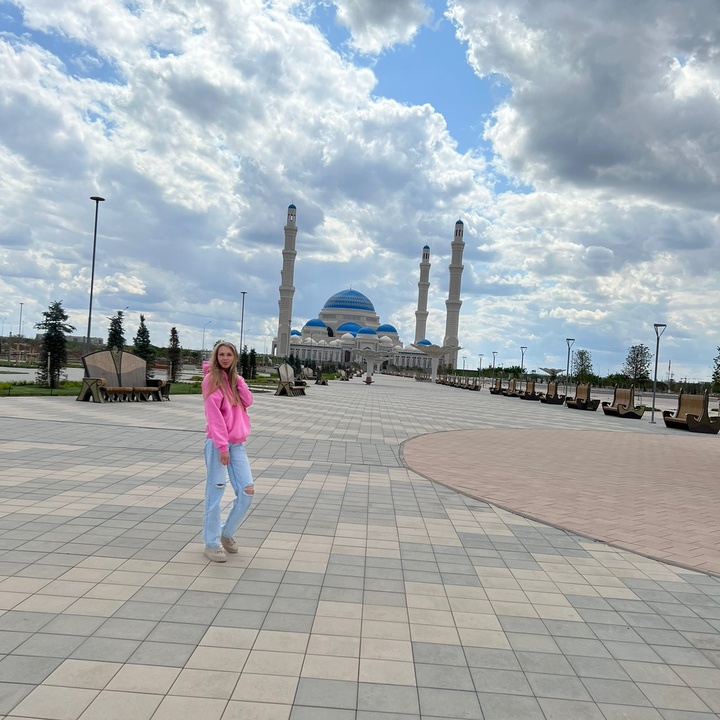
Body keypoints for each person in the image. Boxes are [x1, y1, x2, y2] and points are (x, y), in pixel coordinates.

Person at [201, 341, 254, 563]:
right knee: (216, 492)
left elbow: (248, 401)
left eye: (229, 355)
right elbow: (214, 417)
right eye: (221, 354)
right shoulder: (211, 380)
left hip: (237, 444)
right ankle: (211, 543)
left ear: (234, 358)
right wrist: (222, 447)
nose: (224, 358)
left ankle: (226, 532)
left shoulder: (234, 380)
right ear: (216, 357)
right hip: (217, 444)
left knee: (247, 490)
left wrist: (238, 380)